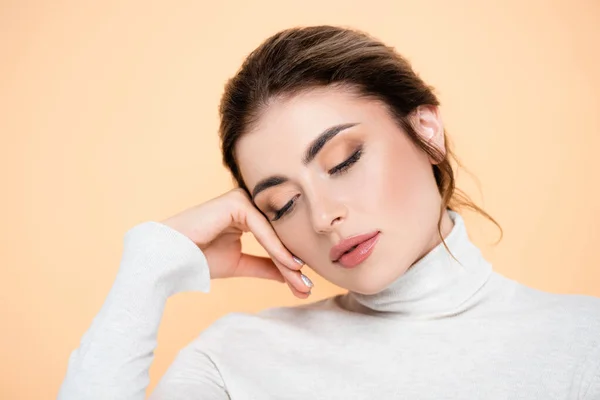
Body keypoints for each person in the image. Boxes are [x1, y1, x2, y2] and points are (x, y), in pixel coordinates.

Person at [58, 26, 600, 399]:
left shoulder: (581, 341)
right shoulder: (235, 360)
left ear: (425, 131)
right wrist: (147, 270)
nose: (321, 217)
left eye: (343, 161)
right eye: (282, 204)